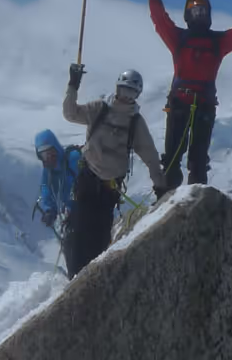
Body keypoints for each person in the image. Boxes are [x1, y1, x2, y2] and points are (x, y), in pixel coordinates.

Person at [144, 0, 232, 190]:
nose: (198, 14)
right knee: (174, 159)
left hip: (197, 104)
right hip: (187, 104)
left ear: (208, 14)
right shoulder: (184, 39)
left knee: (197, 161)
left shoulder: (208, 41)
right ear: (188, 14)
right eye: (195, 10)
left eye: (202, 10)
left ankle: (191, 203)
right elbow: (160, 19)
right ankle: (168, 202)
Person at [61, 64, 168, 277]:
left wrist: (160, 185)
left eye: (132, 92)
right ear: (117, 88)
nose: (126, 96)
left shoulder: (135, 123)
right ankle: (76, 280)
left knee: (98, 237)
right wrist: (73, 86)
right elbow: (71, 114)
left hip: (107, 189)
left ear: (136, 95)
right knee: (82, 231)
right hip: (90, 182)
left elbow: (150, 157)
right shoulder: (99, 109)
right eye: (124, 90)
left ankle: (88, 281)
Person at [34, 129, 81, 231]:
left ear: (56, 148)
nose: (48, 157)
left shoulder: (73, 159)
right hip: (72, 217)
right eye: (44, 155)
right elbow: (46, 189)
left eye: (50, 152)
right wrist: (49, 210)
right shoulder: (49, 172)